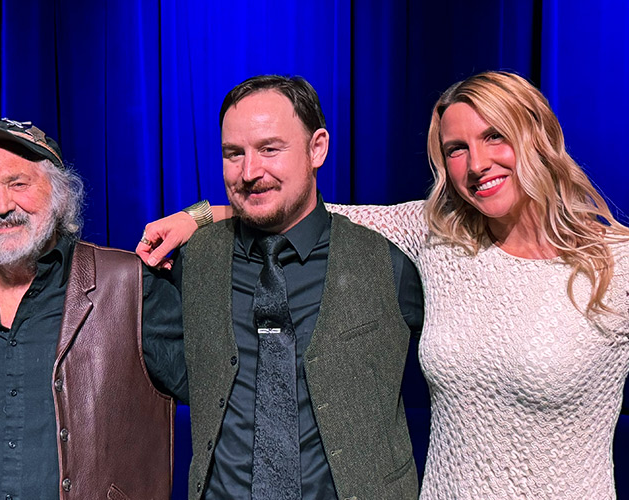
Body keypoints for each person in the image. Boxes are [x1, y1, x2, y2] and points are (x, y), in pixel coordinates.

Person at [140, 71, 629, 499]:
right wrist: (201, 215)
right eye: (456, 148)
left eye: (495, 136)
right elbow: (305, 207)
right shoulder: (437, 235)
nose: (477, 163)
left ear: (539, 138)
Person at [141, 75, 425, 499]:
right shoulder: (192, 261)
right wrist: (198, 218)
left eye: (270, 149)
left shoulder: (389, 263)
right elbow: (173, 370)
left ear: (318, 148)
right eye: (233, 154)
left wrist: (200, 212)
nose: (250, 172)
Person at [0, 119, 182, 500]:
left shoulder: (128, 285)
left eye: (18, 184)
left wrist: (207, 216)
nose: (2, 205)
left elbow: (226, 394)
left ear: (59, 194)